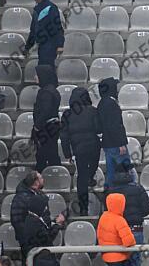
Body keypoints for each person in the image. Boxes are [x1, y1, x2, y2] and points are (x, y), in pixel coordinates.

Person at [59, 86, 100, 215]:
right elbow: (99, 129)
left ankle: (83, 208)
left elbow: (64, 136)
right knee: (91, 169)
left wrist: (67, 154)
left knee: (81, 176)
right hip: (94, 147)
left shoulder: (67, 115)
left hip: (79, 149)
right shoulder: (93, 111)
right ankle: (90, 178)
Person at [11, 171, 65, 261]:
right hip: (30, 242)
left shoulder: (40, 194)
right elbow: (16, 220)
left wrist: (51, 225)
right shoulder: (20, 198)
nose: (43, 180)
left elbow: (44, 217)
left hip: (42, 238)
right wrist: (28, 238)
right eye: (41, 178)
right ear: (36, 182)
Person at [107, 164, 149, 266]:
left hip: (116, 232)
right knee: (134, 261)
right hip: (135, 229)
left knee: (117, 262)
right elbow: (147, 209)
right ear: (129, 173)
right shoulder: (138, 188)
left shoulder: (110, 191)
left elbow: (107, 213)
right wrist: (136, 215)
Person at [97, 78, 136, 189]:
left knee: (111, 172)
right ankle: (130, 193)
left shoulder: (102, 103)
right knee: (127, 172)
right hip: (116, 144)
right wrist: (121, 143)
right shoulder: (111, 103)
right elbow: (115, 125)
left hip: (107, 143)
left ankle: (109, 194)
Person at [23, 0, 64, 67]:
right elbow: (33, 30)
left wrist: (60, 45)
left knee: (46, 68)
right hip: (41, 45)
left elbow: (58, 27)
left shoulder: (51, 8)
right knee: (43, 68)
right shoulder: (36, 9)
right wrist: (28, 47)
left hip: (50, 44)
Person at [23, 191, 65, 266]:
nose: (46, 208)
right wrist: (58, 224)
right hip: (41, 260)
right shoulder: (33, 222)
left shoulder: (33, 219)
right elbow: (47, 239)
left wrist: (56, 224)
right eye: (44, 206)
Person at [32, 65, 61, 171]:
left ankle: (41, 176)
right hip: (52, 126)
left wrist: (37, 126)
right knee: (51, 153)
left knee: (43, 155)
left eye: (37, 75)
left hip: (46, 128)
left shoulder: (46, 92)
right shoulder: (52, 90)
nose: (35, 77)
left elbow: (45, 111)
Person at [97, 193, 137, 266]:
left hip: (106, 256)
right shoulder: (119, 220)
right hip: (119, 257)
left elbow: (99, 235)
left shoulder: (103, 216)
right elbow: (129, 242)